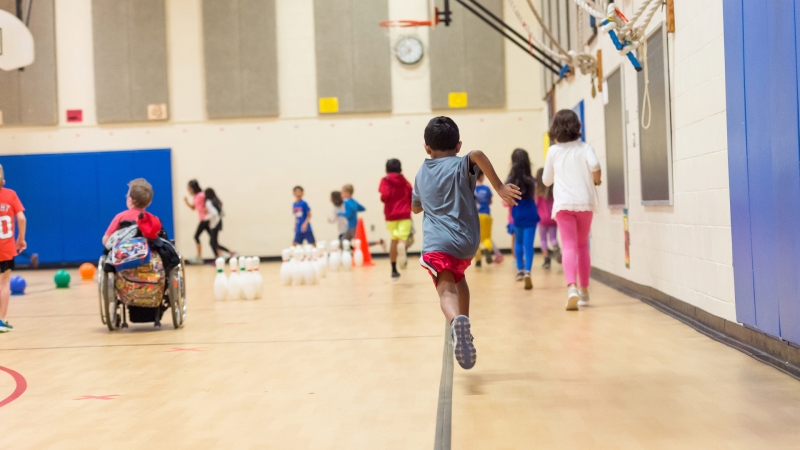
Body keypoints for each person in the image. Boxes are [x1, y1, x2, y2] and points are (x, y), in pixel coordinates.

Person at [412, 116, 521, 370]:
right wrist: (499, 187)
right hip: (466, 244)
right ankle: (465, 331)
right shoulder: (462, 165)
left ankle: (456, 322)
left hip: (438, 245)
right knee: (460, 282)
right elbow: (478, 154)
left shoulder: (421, 172)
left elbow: (416, 208)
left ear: (426, 148)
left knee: (446, 291)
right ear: (458, 145)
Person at [542, 109, 601, 311]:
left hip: (564, 205)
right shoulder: (585, 147)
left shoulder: (553, 151)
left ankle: (572, 288)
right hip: (585, 203)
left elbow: (546, 180)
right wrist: (597, 179)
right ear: (577, 126)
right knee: (582, 245)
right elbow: (594, 165)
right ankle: (584, 292)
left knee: (568, 245)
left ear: (555, 129)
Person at [507, 149, 540, 290]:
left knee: (518, 242)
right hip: (531, 213)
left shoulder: (511, 181)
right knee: (529, 245)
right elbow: (536, 197)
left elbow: (508, 201)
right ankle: (528, 271)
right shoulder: (532, 181)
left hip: (517, 213)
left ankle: (519, 270)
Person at [0, 165, 27, 333]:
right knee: (4, 283)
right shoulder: (10, 195)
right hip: (6, 248)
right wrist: (21, 239)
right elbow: (21, 218)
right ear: (3, 181)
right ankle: (1, 320)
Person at [379, 159, 413, 279]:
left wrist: (384, 200)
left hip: (390, 215)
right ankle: (402, 246)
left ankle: (393, 270)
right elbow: (412, 195)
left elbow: (385, 195)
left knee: (394, 240)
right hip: (404, 214)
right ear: (400, 169)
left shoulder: (385, 181)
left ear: (386, 170)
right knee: (402, 238)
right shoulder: (405, 182)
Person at [102, 178, 156, 246]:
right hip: (145, 254)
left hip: (123, 254)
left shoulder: (121, 216)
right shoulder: (151, 219)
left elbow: (106, 239)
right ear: (149, 203)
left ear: (130, 200)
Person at [535, 167, 560, 269]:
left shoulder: (537, 191)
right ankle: (556, 248)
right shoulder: (553, 189)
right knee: (553, 238)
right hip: (552, 219)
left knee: (543, 240)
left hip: (541, 219)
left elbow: (536, 204)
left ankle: (546, 260)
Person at [183, 180, 207, 264]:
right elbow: (194, 208)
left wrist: (207, 209)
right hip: (202, 219)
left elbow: (208, 203)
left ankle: (199, 257)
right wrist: (187, 203)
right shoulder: (196, 196)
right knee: (212, 239)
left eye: (189, 188)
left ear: (193, 188)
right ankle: (199, 257)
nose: (188, 190)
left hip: (206, 219)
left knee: (197, 236)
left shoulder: (201, 195)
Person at [204, 188, 232, 259]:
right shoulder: (217, 201)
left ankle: (219, 257)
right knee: (214, 242)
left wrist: (206, 218)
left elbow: (214, 213)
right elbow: (223, 213)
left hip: (214, 224)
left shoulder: (209, 202)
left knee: (212, 243)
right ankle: (228, 253)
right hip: (219, 223)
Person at [473, 173, 494, 268]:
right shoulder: (486, 189)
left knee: (476, 239)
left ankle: (478, 260)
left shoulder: (471, 188)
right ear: (481, 176)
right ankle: (487, 248)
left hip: (474, 216)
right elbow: (490, 201)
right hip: (485, 215)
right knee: (486, 237)